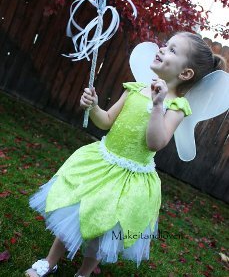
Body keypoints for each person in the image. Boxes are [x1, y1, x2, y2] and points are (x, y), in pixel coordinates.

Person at [25, 32, 226, 277]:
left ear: (185, 74)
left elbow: (155, 142)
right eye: (165, 45)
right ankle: (50, 261)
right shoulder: (134, 89)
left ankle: (84, 272)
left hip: (130, 177)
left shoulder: (175, 107)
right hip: (102, 162)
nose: (162, 49)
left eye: (173, 50)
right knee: (76, 212)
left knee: (104, 225)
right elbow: (107, 121)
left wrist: (157, 106)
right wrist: (94, 106)